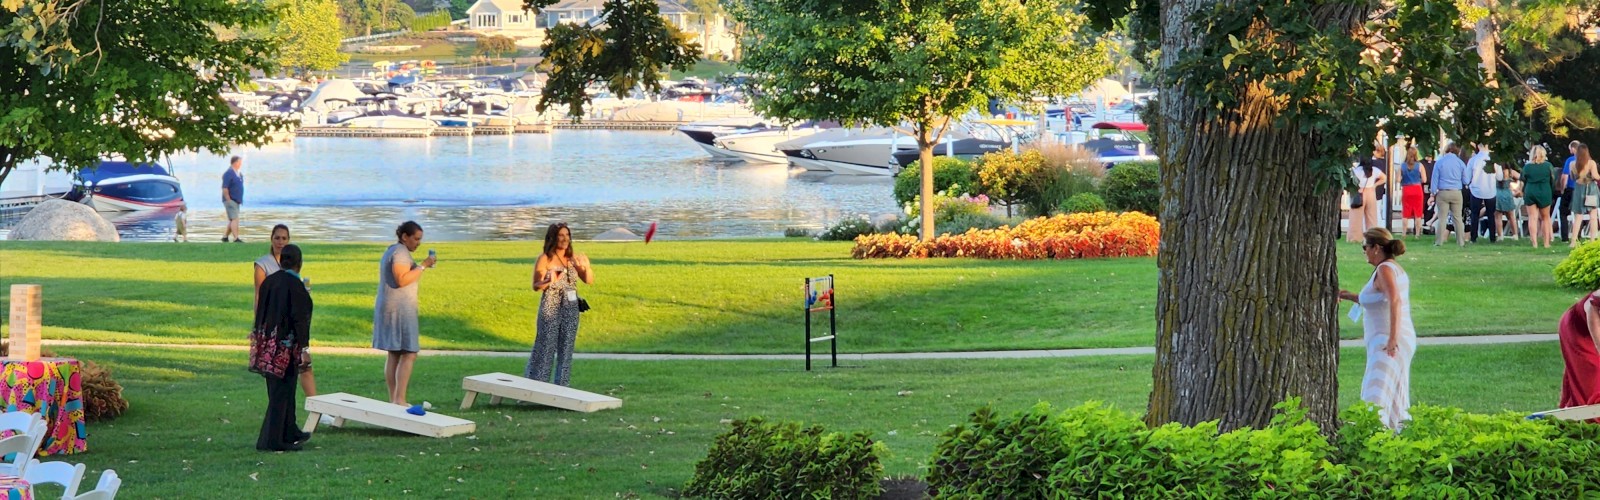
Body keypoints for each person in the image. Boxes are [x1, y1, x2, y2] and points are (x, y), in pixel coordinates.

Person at [253, 225, 331, 426]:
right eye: (277, 238)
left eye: (284, 238)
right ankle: (282, 422)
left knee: (300, 372)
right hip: (278, 333)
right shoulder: (264, 267)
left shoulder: (292, 278)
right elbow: (260, 298)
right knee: (280, 379)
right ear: (271, 239)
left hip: (288, 333)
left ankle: (305, 415)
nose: (280, 242)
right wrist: (259, 328)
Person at [1337, 228, 1414, 431]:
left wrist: (1392, 339)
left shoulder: (1385, 270)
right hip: (1388, 339)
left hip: (1387, 340)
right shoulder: (1390, 268)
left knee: (1376, 392)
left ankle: (1373, 435)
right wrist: (1347, 295)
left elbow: (1394, 300)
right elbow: (1377, 299)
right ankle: (1395, 434)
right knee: (1394, 393)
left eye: (1365, 247)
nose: (1364, 252)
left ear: (1376, 248)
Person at [254, 244, 313, 451]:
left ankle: (289, 429)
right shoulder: (296, 287)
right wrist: (304, 348)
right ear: (299, 263)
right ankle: (273, 439)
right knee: (283, 391)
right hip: (286, 346)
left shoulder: (270, 282)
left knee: (279, 389)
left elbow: (260, 310)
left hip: (268, 342)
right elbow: (300, 319)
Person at [373, 221, 435, 408]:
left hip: (394, 307)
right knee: (409, 352)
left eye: (420, 239)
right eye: (416, 239)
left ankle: (395, 399)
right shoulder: (399, 252)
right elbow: (401, 279)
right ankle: (399, 399)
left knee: (395, 352)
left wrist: (419, 266)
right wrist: (423, 265)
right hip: (398, 309)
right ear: (404, 237)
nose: (418, 243)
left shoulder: (394, 250)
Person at [525, 222, 595, 387]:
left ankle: (562, 388)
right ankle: (536, 387)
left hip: (570, 308)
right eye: (561, 235)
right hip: (551, 308)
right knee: (545, 348)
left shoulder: (572, 259)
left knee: (566, 350)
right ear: (553, 238)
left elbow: (589, 280)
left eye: (567, 235)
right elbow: (536, 285)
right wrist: (550, 279)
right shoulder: (545, 259)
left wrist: (587, 267)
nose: (565, 239)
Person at [1559, 288, 1600, 410]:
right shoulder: (1593, 305)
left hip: (1591, 329)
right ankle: (1591, 420)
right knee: (1592, 370)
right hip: (1576, 329)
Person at [1431, 143, 1471, 247]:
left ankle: (1439, 241)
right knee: (1457, 218)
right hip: (1456, 192)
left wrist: (1433, 193)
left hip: (1443, 192)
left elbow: (1434, 180)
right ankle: (1461, 242)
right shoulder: (1460, 163)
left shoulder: (1439, 162)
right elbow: (1466, 180)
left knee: (1442, 218)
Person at [1348, 149, 1387, 244]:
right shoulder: (1374, 170)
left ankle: (1355, 238)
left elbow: (1351, 182)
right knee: (1371, 217)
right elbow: (1384, 178)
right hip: (1371, 193)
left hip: (1359, 192)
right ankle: (1372, 238)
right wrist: (1375, 185)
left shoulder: (1356, 170)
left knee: (1356, 217)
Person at [1524, 146, 1557, 249]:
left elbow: (1523, 181)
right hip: (1544, 192)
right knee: (1545, 218)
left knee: (1532, 217)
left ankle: (1534, 243)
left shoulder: (1527, 167)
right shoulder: (1548, 166)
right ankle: (1546, 243)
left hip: (1530, 191)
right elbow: (1553, 181)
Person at [1466, 143, 1499, 243]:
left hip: (1476, 189)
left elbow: (1467, 178)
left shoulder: (1473, 160)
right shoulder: (1494, 160)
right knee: (1491, 215)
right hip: (1490, 190)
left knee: (1474, 214)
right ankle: (1492, 237)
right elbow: (1500, 177)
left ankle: (1473, 237)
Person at [1572, 144, 1599, 248]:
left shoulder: (1573, 164)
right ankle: (1592, 240)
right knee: (1593, 216)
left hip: (1579, 189)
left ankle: (1573, 241)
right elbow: (1595, 176)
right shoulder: (1591, 163)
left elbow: (1573, 177)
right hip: (1590, 189)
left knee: (1578, 216)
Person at [1398, 147, 1428, 239]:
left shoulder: (1402, 166)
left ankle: (1403, 233)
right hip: (1417, 189)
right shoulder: (1420, 165)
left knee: (1405, 212)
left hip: (1406, 189)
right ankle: (1417, 234)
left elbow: (1398, 179)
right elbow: (1424, 179)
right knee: (1418, 212)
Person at [221, 156, 246, 243]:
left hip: (237, 200)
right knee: (235, 219)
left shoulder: (239, 173)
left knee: (232, 219)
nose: (241, 164)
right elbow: (225, 188)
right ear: (235, 163)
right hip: (230, 200)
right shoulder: (229, 173)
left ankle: (225, 237)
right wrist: (228, 199)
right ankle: (236, 238)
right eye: (239, 162)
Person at [1561, 141, 1580, 242]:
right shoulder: (1586, 160)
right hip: (1581, 189)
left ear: (1573, 149)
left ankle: (1565, 237)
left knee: (1563, 213)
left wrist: (1562, 189)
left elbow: (1565, 176)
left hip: (1571, 188)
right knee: (1579, 213)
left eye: (1570, 149)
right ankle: (1578, 235)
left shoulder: (1570, 160)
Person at [1497, 165, 1522, 240]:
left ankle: (1500, 236)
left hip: (1497, 193)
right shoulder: (1511, 171)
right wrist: (1519, 189)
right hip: (1508, 193)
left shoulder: (1496, 171)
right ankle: (1515, 235)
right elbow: (1523, 178)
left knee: (1498, 217)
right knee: (1511, 216)